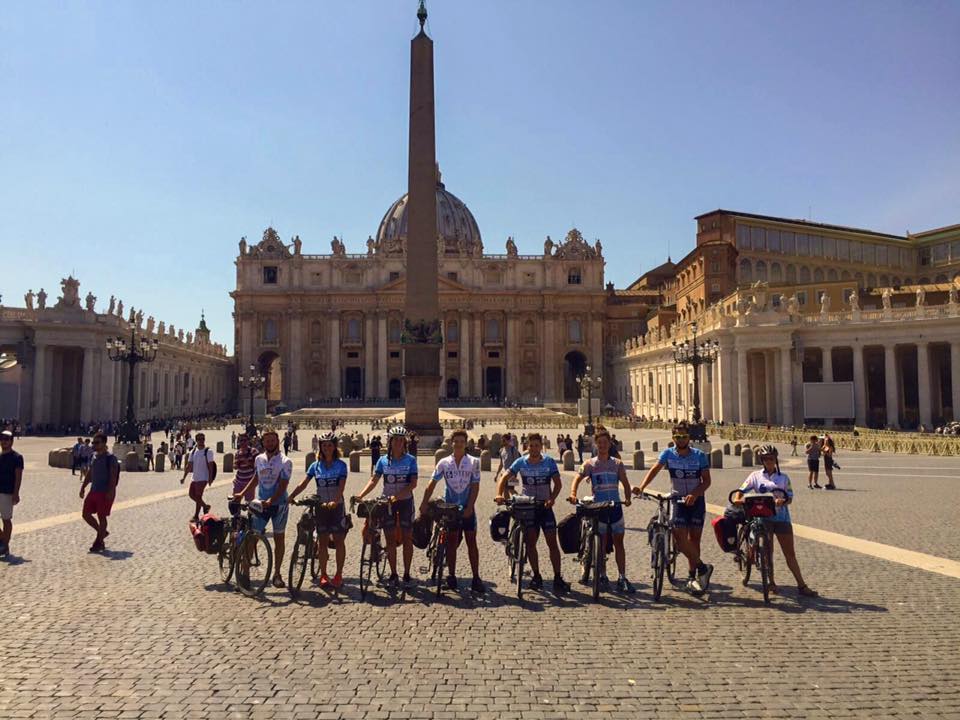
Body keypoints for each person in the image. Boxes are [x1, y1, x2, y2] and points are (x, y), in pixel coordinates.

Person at [633, 421, 713, 594]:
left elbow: (706, 481)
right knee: (678, 538)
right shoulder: (668, 454)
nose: (681, 440)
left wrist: (695, 494)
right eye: (677, 437)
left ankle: (693, 576)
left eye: (684, 436)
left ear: (689, 437)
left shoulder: (699, 455)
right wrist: (642, 486)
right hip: (678, 499)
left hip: (696, 500)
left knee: (694, 540)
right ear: (673, 438)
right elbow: (655, 469)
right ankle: (702, 567)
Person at [733, 445, 818, 597]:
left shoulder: (784, 478)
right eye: (765, 459)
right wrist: (738, 498)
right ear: (762, 460)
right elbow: (742, 489)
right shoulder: (755, 475)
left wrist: (783, 501)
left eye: (771, 458)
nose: (768, 461)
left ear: (775, 459)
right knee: (767, 552)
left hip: (782, 518)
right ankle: (771, 582)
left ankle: (801, 585)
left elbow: (790, 497)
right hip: (763, 518)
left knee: (790, 554)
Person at [495, 432, 571, 594]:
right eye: (531, 446)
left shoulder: (549, 462)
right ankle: (537, 576)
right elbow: (504, 477)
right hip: (528, 507)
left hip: (545, 506)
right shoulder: (521, 461)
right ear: (527, 446)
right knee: (530, 543)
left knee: (552, 543)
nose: (534, 448)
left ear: (541, 446)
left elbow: (557, 484)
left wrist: (552, 498)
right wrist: (499, 494)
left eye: (537, 445)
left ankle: (558, 577)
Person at [568, 426, 634, 593]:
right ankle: (603, 575)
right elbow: (577, 478)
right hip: (599, 508)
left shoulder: (617, 464)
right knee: (602, 544)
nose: (603, 445)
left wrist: (627, 498)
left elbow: (625, 483)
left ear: (610, 444)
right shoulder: (590, 464)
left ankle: (621, 576)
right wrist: (573, 493)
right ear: (595, 445)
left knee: (619, 543)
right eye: (600, 443)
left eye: (605, 443)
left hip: (615, 507)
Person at [353, 425, 418, 587]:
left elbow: (412, 484)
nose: (398, 443)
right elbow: (374, 480)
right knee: (389, 539)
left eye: (401, 440)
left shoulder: (411, 460)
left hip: (404, 502)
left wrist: (396, 497)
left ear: (405, 442)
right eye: (395, 440)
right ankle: (394, 574)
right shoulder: (383, 460)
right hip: (386, 502)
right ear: (389, 442)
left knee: (407, 538)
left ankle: (407, 574)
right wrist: (361, 495)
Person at [421, 429, 484, 594]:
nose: (458, 444)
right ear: (451, 443)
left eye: (461, 441)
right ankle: (451, 576)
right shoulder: (443, 462)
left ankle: (476, 578)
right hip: (450, 509)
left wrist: (470, 506)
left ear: (466, 443)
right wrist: (423, 503)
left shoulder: (474, 462)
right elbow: (432, 483)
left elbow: (475, 486)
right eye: (456, 441)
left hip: (467, 507)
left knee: (472, 542)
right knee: (451, 543)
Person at [234, 427, 292, 589]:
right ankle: (244, 573)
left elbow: (283, 484)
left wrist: (271, 500)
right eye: (267, 440)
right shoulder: (259, 459)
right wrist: (242, 493)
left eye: (272, 440)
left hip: (279, 505)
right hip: (261, 504)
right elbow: (256, 478)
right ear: (263, 442)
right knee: (252, 537)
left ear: (277, 441)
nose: (270, 443)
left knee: (279, 538)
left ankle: (277, 574)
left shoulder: (286, 461)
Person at [289, 431, 348, 589]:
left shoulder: (341, 465)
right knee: (322, 542)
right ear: (320, 447)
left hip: (337, 507)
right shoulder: (315, 466)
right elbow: (304, 482)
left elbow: (341, 486)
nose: (327, 448)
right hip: (321, 506)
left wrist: (335, 501)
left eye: (329, 445)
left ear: (335, 447)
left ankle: (338, 574)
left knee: (338, 540)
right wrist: (292, 495)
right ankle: (323, 574)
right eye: (324, 445)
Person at [79, 432, 119, 553]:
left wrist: (111, 491)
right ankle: (102, 532)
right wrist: (83, 487)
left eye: (97, 442)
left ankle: (98, 541)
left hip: (104, 492)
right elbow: (90, 473)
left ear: (104, 443)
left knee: (102, 516)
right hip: (94, 490)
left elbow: (113, 476)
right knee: (85, 514)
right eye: (93, 442)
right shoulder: (94, 456)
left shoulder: (111, 458)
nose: (94, 445)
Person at [181, 432, 215, 522]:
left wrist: (210, 478)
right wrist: (184, 477)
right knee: (191, 495)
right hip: (194, 477)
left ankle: (196, 515)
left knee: (198, 496)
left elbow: (211, 466)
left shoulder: (208, 451)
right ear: (196, 440)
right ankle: (205, 506)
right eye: (199, 439)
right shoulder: (193, 452)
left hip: (203, 478)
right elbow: (189, 465)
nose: (201, 441)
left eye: (203, 439)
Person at [0, 431, 24, 557]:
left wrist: (16, 493)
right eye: (2, 438)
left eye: (7, 439)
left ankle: (5, 546)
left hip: (7, 492)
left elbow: (18, 476)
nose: (4, 441)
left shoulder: (17, 457)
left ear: (11, 441)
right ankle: (3, 542)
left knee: (6, 520)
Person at [232, 432, 257, 506]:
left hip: (249, 481)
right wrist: (235, 465)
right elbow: (235, 466)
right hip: (239, 480)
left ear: (248, 441)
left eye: (245, 440)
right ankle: (236, 515)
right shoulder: (237, 453)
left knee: (249, 502)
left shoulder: (253, 451)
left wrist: (248, 462)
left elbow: (258, 466)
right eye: (241, 440)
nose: (243, 442)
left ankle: (250, 517)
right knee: (235, 500)